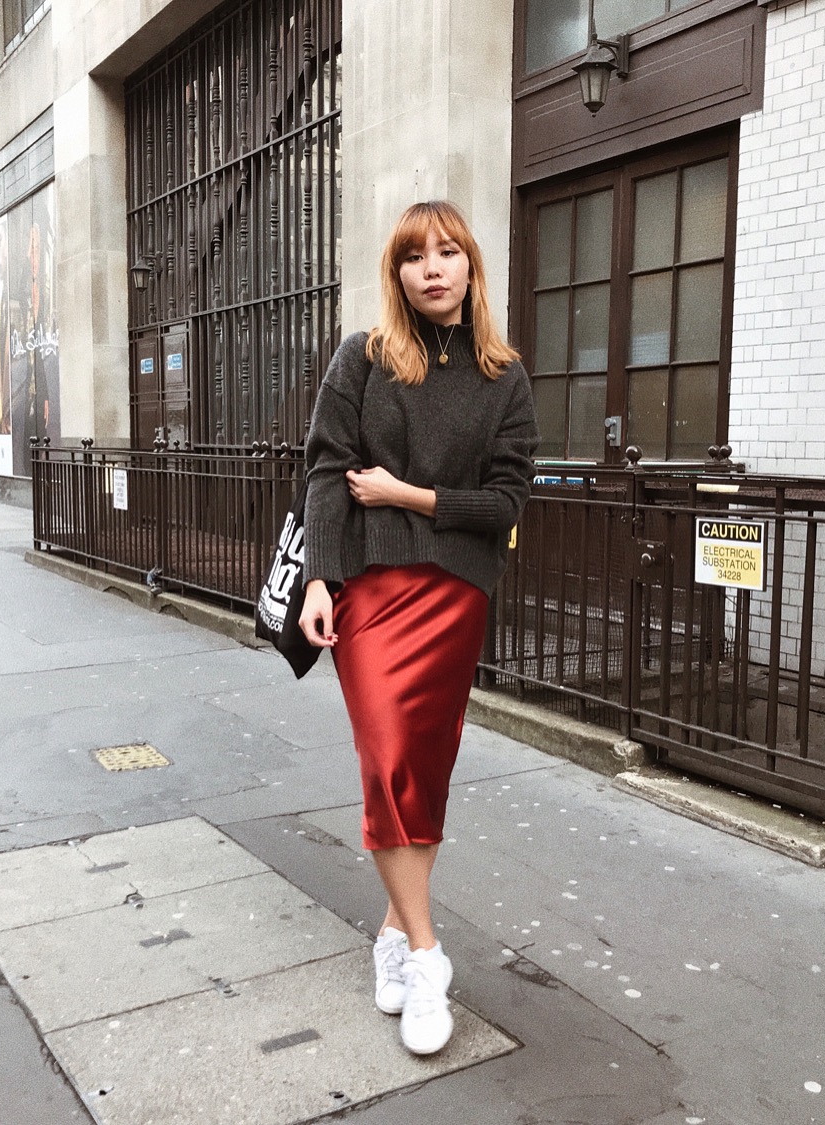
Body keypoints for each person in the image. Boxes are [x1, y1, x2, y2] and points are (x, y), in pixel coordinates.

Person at [299, 200, 538, 1056]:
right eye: (415, 256)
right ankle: (430, 959)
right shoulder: (362, 359)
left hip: (454, 595)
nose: (433, 268)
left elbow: (507, 502)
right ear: (397, 274)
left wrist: (408, 496)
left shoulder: (503, 375)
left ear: (472, 267)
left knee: (420, 773)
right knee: (389, 760)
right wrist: (320, 578)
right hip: (368, 594)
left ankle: (395, 937)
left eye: (449, 252)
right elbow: (327, 468)